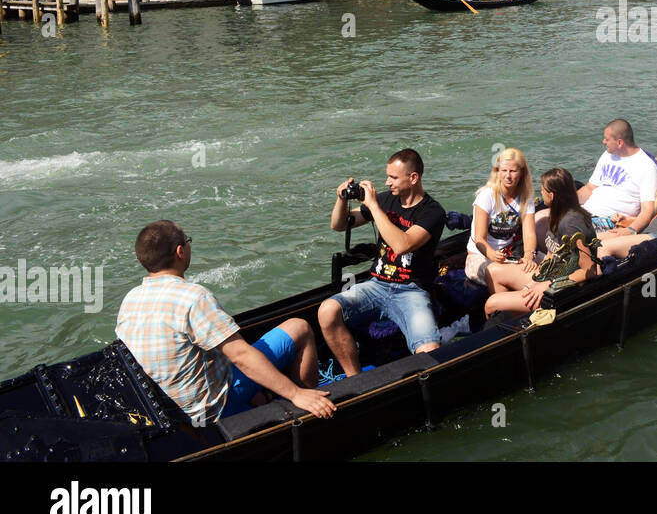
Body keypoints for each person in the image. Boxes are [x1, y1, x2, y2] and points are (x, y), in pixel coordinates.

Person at [116, 220, 335, 426]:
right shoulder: (193, 298)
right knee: (300, 328)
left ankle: (262, 396)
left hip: (173, 411)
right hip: (211, 410)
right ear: (180, 252)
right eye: (187, 241)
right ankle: (309, 405)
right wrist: (295, 395)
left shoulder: (130, 300)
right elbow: (240, 356)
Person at [317, 149, 447, 377]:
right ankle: (355, 380)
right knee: (327, 311)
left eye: (393, 177)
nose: (387, 182)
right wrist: (341, 200)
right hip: (376, 285)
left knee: (429, 351)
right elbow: (339, 225)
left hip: (412, 291)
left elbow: (403, 244)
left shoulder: (433, 212)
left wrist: (374, 206)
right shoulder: (386, 200)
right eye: (387, 176)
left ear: (413, 178)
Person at [485, 168, 599, 315]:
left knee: (491, 304)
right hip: (551, 277)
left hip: (565, 290)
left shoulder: (571, 224)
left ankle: (519, 318)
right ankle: (519, 316)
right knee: (493, 271)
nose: (541, 193)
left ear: (551, 196)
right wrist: (536, 281)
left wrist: (547, 285)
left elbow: (589, 271)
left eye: (542, 190)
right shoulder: (557, 214)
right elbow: (552, 254)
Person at [541, 119, 657, 240]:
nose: (603, 142)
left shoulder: (646, 167)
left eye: (607, 139)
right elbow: (589, 188)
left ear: (619, 143)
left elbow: (647, 210)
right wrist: (564, 203)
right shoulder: (607, 155)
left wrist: (631, 230)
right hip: (585, 212)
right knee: (540, 218)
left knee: (567, 228)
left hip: (610, 221)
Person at [465, 148, 537, 288]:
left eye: (513, 171)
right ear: (497, 172)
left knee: (543, 265)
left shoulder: (526, 199)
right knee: (505, 275)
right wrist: (491, 254)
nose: (508, 176)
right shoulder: (487, 196)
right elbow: (479, 239)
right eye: (504, 171)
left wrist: (529, 255)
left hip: (510, 253)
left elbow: (529, 234)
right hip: (480, 255)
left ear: (522, 173)